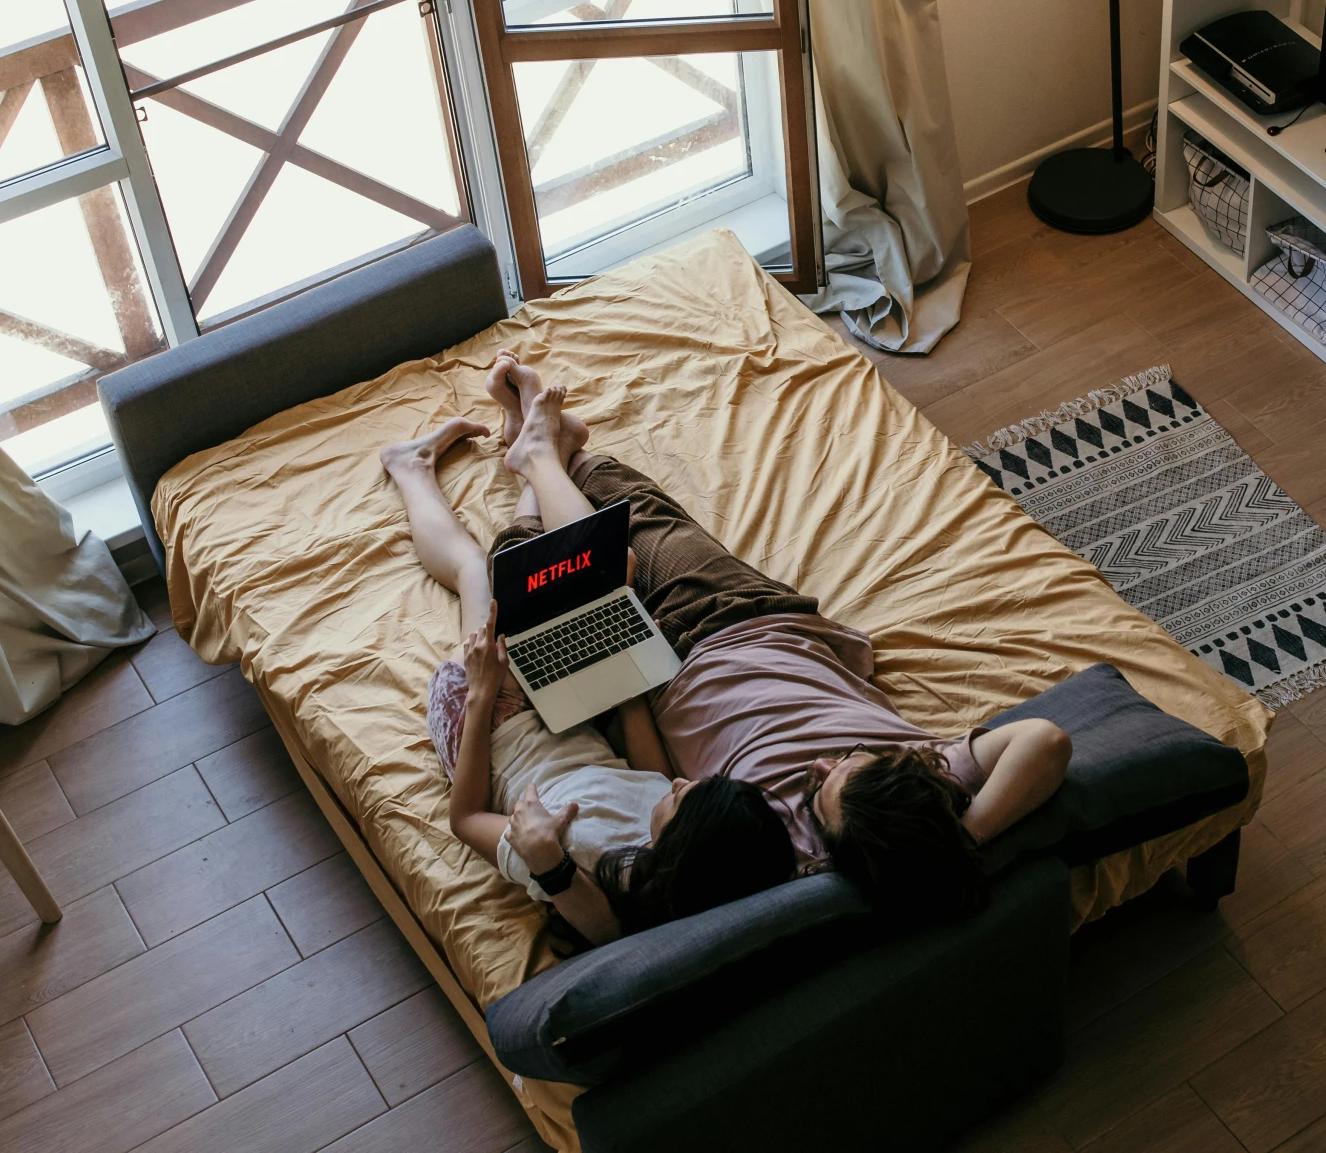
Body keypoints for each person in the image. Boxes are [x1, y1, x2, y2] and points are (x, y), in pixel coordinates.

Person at [458, 351, 1074, 925]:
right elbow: (1045, 741)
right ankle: (552, 452)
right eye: (849, 762)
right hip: (755, 617)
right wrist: (958, 844)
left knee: (529, 575)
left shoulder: (786, 856)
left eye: (818, 791)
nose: (821, 764)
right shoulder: (922, 783)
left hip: (662, 674)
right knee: (648, 515)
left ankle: (539, 455)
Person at [384, 420, 794, 944]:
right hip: (574, 715)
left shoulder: (570, 859)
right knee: (580, 583)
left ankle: (410, 466)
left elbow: (465, 819)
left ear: (683, 849)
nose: (681, 781)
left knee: (475, 576)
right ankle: (536, 449)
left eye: (686, 798)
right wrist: (617, 658)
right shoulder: (665, 842)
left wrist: (484, 692)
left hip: (493, 726)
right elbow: (648, 773)